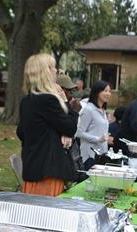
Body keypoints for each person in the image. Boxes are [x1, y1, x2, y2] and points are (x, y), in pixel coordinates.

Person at [16, 53, 78, 197]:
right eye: (53, 67)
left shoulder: (28, 100)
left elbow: (21, 132)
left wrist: (56, 133)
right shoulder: (47, 100)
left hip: (34, 169)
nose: (56, 70)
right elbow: (70, 127)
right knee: (46, 216)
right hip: (48, 172)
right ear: (45, 72)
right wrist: (66, 102)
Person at [76, 80, 112, 170]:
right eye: (105, 91)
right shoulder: (89, 109)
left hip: (102, 155)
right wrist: (98, 139)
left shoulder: (103, 110)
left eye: (109, 91)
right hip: (90, 156)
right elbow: (79, 132)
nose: (108, 93)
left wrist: (106, 138)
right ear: (97, 92)